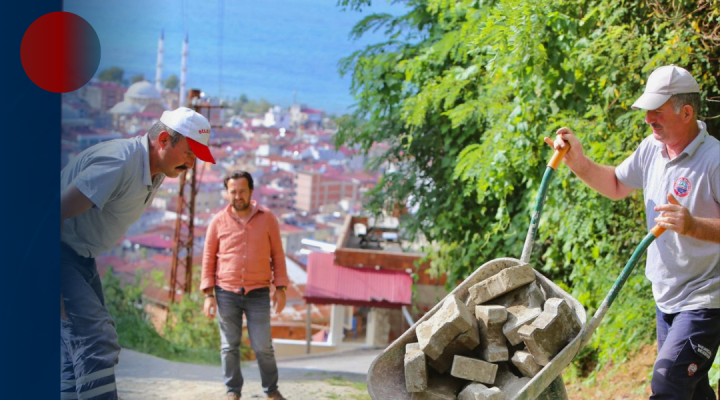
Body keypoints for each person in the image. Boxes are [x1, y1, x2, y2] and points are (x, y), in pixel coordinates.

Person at [552, 65, 720, 399]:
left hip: (705, 298)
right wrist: (577, 161)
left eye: (656, 112)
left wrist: (693, 225)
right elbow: (616, 184)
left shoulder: (714, 160)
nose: (648, 120)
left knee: (667, 383)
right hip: (666, 296)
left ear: (686, 112)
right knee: (693, 388)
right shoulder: (650, 150)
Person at [61, 107, 216, 399]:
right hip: (59, 253)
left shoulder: (154, 171)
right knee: (97, 339)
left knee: (76, 349)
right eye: (189, 153)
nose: (192, 164)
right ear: (162, 140)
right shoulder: (120, 163)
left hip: (82, 257)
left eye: (196, 157)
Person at [201, 171, 289, 400]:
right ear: (227, 193)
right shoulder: (217, 221)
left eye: (242, 191)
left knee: (263, 346)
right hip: (225, 292)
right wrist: (208, 294)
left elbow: (278, 255)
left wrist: (280, 288)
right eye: (233, 191)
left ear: (251, 191)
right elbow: (208, 257)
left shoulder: (268, 218)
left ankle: (271, 390)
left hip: (258, 292)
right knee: (229, 346)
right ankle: (233, 391)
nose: (238, 196)